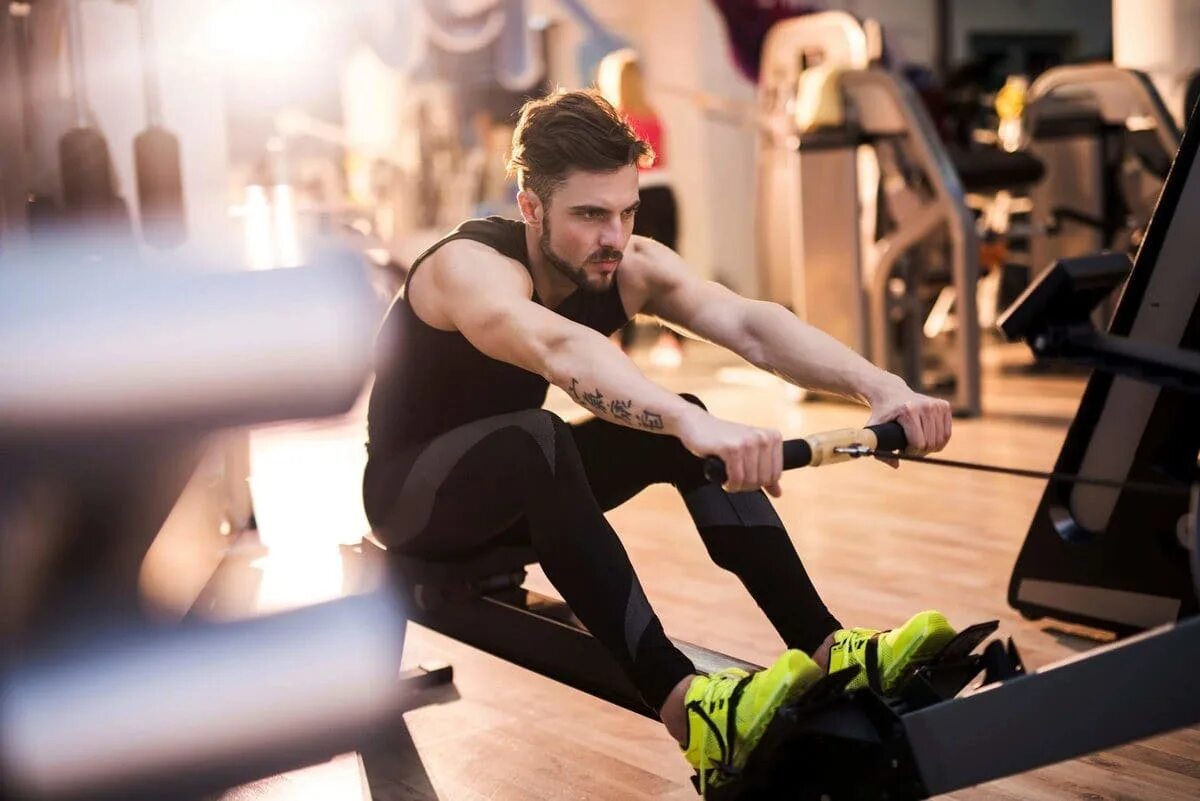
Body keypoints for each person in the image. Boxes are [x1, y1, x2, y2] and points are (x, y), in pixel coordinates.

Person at [363, 89, 955, 794]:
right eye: (588, 214)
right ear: (530, 207)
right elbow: (557, 347)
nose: (613, 235)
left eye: (625, 211)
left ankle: (830, 648)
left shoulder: (622, 264)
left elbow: (749, 323)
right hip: (413, 506)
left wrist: (880, 386)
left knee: (666, 424)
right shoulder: (468, 268)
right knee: (549, 435)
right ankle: (692, 711)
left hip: (520, 494)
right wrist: (679, 415)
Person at [598, 48, 683, 366]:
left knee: (623, 269)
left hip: (635, 197)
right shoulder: (654, 115)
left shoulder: (616, 122)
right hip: (664, 193)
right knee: (668, 267)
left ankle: (623, 342)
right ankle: (673, 339)